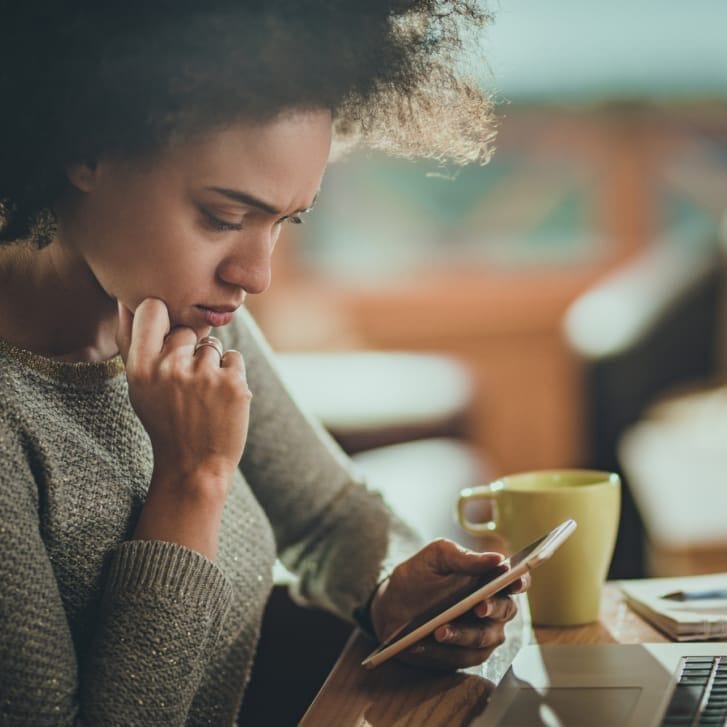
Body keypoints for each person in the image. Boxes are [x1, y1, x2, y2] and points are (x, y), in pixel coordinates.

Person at [0, 2, 527, 724]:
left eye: (286, 221)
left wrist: (388, 589)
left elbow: (329, 515)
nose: (255, 275)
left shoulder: (187, 317)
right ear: (86, 147)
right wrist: (190, 482)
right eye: (222, 217)